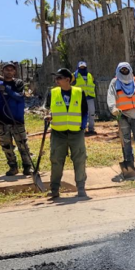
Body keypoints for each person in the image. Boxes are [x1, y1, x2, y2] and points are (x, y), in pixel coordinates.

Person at [44, 68, 88, 199]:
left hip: (76, 133)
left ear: (67, 80)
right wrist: (47, 116)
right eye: (56, 78)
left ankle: (81, 188)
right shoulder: (52, 93)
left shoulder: (79, 92)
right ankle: (55, 189)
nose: (56, 80)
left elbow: (84, 111)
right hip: (58, 133)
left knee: (79, 160)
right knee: (56, 160)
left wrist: (82, 126)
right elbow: (47, 109)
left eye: (59, 78)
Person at [0, 62, 33, 177]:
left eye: (11, 70)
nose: (9, 72)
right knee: (6, 146)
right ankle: (13, 167)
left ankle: (28, 166)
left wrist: (7, 89)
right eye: (7, 70)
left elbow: (19, 96)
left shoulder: (18, 83)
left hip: (16, 120)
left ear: (15, 72)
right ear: (2, 71)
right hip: (1, 120)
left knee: (22, 144)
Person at [108, 62, 135, 178]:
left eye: (126, 69)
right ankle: (129, 166)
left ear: (130, 70)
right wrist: (113, 108)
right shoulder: (115, 82)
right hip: (122, 115)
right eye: (122, 70)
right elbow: (111, 95)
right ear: (118, 71)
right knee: (126, 142)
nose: (124, 71)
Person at [73, 60, 98, 136]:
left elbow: (92, 84)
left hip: (89, 97)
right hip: (80, 98)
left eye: (83, 67)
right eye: (81, 67)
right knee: (81, 114)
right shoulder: (74, 75)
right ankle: (82, 129)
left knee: (92, 113)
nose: (82, 68)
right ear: (78, 67)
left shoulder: (90, 75)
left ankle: (91, 129)